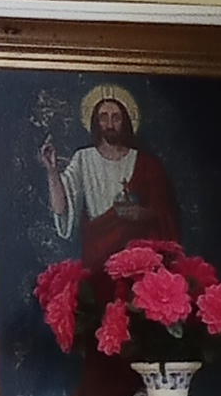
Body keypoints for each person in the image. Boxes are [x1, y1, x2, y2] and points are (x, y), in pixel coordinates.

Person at [40, 85, 179, 264]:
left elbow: (163, 211)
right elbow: (61, 208)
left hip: (136, 255)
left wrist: (141, 214)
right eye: (103, 118)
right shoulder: (83, 159)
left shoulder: (146, 162)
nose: (110, 124)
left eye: (116, 117)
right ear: (96, 122)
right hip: (97, 253)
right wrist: (52, 172)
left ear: (125, 121)